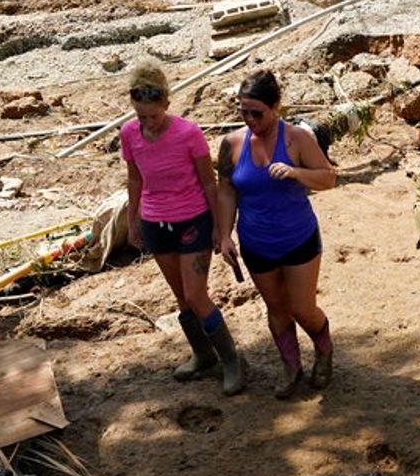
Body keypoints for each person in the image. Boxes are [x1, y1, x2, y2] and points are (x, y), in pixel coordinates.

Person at [120, 61, 245, 396]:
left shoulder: (188, 133)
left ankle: (231, 360)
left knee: (195, 294)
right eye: (140, 116)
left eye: (153, 116)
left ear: (167, 105)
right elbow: (134, 178)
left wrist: (221, 231)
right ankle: (203, 355)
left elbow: (209, 183)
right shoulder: (129, 133)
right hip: (156, 222)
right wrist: (133, 222)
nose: (147, 123)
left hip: (192, 220)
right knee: (181, 298)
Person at [216, 71, 337, 398]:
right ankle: (290, 366)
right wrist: (224, 235)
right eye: (244, 112)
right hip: (256, 243)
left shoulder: (297, 139)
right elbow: (226, 191)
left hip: (298, 238)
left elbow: (328, 178)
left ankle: (324, 351)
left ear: (277, 107)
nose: (251, 119)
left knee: (302, 307)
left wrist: (296, 172)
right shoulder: (231, 144)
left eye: (258, 112)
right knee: (276, 307)